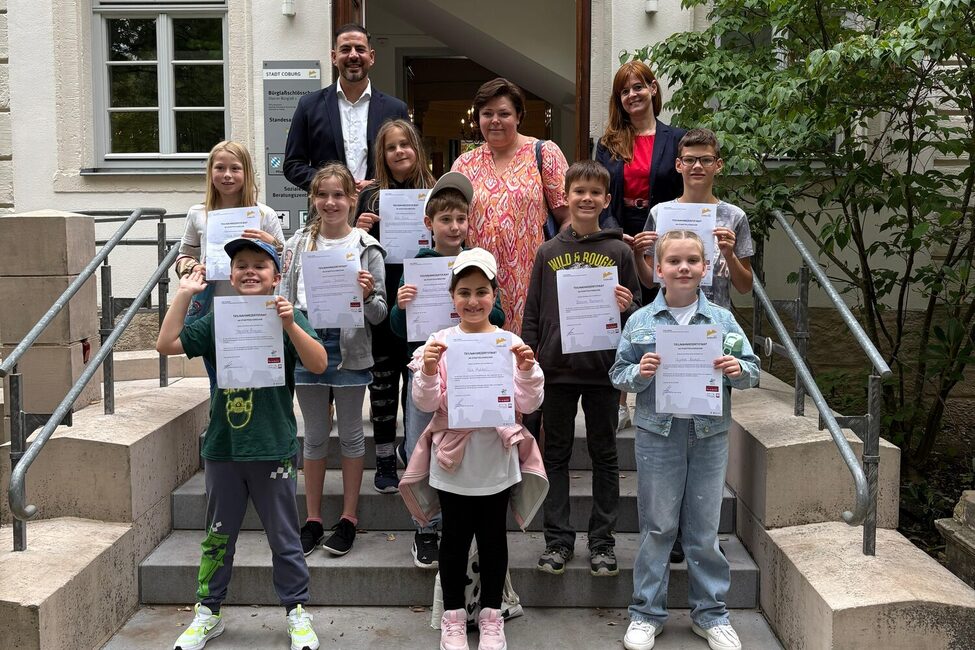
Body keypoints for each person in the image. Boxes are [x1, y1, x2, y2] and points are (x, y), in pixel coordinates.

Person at [158, 238, 326, 650]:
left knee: (285, 537)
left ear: (276, 277)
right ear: (230, 276)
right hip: (224, 449)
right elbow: (166, 345)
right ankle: (208, 611)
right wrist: (184, 294)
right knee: (218, 536)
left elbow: (319, 362)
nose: (250, 271)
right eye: (241, 266)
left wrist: (289, 324)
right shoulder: (218, 317)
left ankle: (296, 612)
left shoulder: (289, 315)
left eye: (260, 266)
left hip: (273, 446)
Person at [609, 230, 760, 650]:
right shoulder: (641, 321)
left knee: (704, 528)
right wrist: (639, 375)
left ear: (705, 268)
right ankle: (645, 613)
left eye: (692, 260)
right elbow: (617, 374)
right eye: (674, 261)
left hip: (708, 434)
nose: (683, 267)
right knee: (657, 525)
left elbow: (753, 370)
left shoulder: (722, 321)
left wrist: (736, 370)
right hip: (658, 435)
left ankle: (710, 613)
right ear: (658, 269)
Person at [399, 248, 548, 650]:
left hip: (496, 458)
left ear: (495, 295)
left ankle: (491, 617)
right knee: (454, 539)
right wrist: (429, 371)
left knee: (494, 538)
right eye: (464, 291)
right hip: (453, 461)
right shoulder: (439, 342)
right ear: (452, 296)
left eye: (481, 291)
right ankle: (453, 618)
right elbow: (426, 405)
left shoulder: (509, 341)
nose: (473, 300)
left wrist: (527, 369)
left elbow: (529, 404)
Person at [522, 159, 642, 578]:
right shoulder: (548, 251)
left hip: (603, 371)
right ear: (566, 197)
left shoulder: (620, 251)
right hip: (556, 370)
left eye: (595, 193)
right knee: (554, 456)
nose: (586, 198)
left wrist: (628, 307)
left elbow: (639, 316)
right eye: (579, 192)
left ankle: (603, 543)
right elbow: (533, 311)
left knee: (604, 455)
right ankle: (557, 540)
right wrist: (531, 358)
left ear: (607, 200)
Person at [388, 171, 506, 569]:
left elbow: (500, 316)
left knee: (463, 446)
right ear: (429, 224)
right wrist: (400, 306)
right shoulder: (417, 265)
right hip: (427, 368)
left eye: (461, 219)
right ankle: (425, 526)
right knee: (418, 443)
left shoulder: (479, 263)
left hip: (472, 371)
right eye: (445, 220)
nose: (455, 227)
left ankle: (462, 521)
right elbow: (396, 330)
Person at [279, 163, 388, 558]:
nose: (330, 202)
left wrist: (369, 291)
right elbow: (284, 299)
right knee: (315, 434)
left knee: (353, 436)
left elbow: (380, 315)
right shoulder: (295, 246)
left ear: (352, 199)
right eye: (322, 195)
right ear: (313, 199)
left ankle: (348, 518)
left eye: (338, 195)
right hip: (307, 340)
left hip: (351, 347)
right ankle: (311, 519)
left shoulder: (366, 248)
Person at [594, 60, 687, 437]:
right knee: (620, 319)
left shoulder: (675, 138)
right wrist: (617, 235)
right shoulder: (609, 143)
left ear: (652, 89)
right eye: (624, 90)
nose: (632, 94)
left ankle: (663, 397)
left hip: (663, 238)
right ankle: (619, 404)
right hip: (620, 236)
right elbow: (602, 193)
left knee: (662, 318)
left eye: (638, 86)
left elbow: (684, 191)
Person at [352, 119, 436, 494]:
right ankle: (384, 456)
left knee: (416, 379)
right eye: (391, 147)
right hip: (382, 300)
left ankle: (411, 449)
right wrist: (360, 226)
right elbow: (351, 247)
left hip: (423, 300)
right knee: (383, 382)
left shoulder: (432, 192)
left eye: (406, 144)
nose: (400, 151)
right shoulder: (370, 196)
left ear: (416, 147)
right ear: (381, 156)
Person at [451, 77, 569, 335]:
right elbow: (451, 222)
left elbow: (568, 217)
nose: (495, 120)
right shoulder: (464, 165)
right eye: (487, 113)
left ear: (518, 116)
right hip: (479, 284)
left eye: (504, 113)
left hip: (532, 281)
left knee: (526, 360)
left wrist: (558, 269)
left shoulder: (544, 153)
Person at [174, 140, 285, 390]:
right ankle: (221, 427)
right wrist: (191, 268)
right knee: (219, 383)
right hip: (212, 309)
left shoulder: (265, 214)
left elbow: (286, 264)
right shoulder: (197, 213)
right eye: (220, 168)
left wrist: (274, 243)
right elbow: (183, 255)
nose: (227, 175)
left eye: (235, 168)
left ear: (246, 172)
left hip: (257, 310)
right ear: (210, 172)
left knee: (261, 381)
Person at [634, 128, 754, 310]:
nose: (697, 166)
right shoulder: (661, 213)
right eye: (689, 160)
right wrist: (637, 255)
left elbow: (745, 287)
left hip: (716, 320)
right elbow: (650, 281)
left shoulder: (734, 216)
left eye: (706, 160)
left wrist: (729, 255)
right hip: (670, 319)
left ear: (718, 165)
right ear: (678, 164)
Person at [284, 23, 410, 193]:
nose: (353, 55)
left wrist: (376, 187)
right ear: (334, 57)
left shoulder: (395, 109)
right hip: (326, 212)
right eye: (345, 49)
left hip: (379, 213)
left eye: (360, 49)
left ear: (371, 57)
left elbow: (408, 165)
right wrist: (331, 185)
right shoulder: (309, 106)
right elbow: (293, 165)